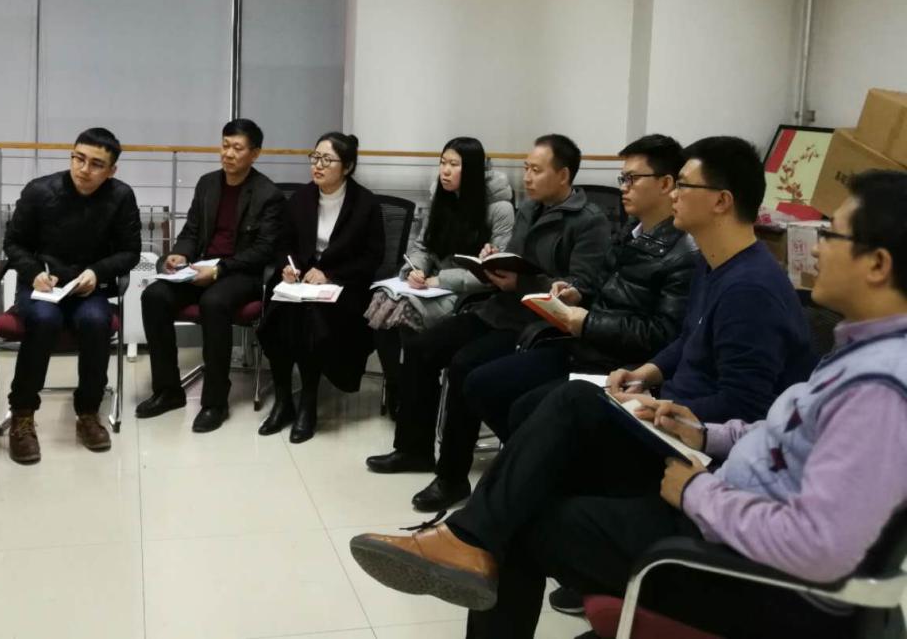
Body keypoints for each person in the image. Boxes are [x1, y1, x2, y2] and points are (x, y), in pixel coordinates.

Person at [348, 169, 907, 639]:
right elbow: (783, 433)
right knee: (567, 418)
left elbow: (820, 547)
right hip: (722, 503)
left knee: (526, 510)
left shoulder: (879, 388)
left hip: (750, 572)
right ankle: (468, 536)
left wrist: (698, 492)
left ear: (877, 264)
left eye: (832, 234)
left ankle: (468, 536)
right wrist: (707, 434)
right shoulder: (859, 350)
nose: (818, 247)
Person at [366, 134, 611, 512]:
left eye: (536, 170)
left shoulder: (589, 222)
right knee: (421, 347)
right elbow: (514, 258)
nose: (526, 177)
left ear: (563, 175)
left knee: (464, 365)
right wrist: (493, 258)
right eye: (526, 168)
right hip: (500, 308)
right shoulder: (529, 208)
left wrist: (522, 282)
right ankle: (414, 449)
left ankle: (452, 477)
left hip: (538, 324)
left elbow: (581, 290)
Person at [462, 134, 696, 443]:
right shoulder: (631, 231)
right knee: (481, 384)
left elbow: (661, 335)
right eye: (622, 178)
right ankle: (530, 456)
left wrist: (587, 322)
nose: (623, 187)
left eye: (632, 178)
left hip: (618, 366)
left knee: (524, 408)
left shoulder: (682, 254)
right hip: (583, 346)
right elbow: (599, 284)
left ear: (665, 184)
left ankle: (534, 458)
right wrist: (577, 293)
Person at [135, 119, 285, 433]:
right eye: (225, 145)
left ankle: (215, 401)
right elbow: (192, 231)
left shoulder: (268, 194)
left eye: (237, 148)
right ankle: (168, 390)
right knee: (154, 296)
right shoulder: (207, 184)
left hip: (241, 272)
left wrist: (219, 270)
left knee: (214, 303)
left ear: (255, 153)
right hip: (201, 266)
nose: (228, 154)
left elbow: (264, 250)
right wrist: (181, 254)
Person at [3, 127, 142, 465]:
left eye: (96, 164)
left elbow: (130, 251)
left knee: (96, 321)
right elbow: (14, 243)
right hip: (42, 283)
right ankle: (22, 414)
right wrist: (33, 272)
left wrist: (98, 272)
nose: (84, 169)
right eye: (78, 159)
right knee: (43, 320)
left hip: (86, 285)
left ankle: (88, 412)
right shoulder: (40, 191)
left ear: (111, 171)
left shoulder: (121, 197)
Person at [365, 137, 515, 414]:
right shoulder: (440, 197)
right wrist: (416, 269)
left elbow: (494, 271)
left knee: (405, 316)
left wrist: (440, 280)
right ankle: (400, 387)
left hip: (470, 295)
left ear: (472, 170)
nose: (445, 171)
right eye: (443, 163)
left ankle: (418, 395)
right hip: (432, 284)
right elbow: (422, 245)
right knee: (382, 304)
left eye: (454, 164)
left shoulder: (499, 209)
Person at [257, 132, 384, 443]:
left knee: (311, 318)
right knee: (278, 315)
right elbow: (283, 244)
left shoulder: (365, 204)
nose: (318, 165)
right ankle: (284, 400)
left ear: (348, 167)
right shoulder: (301, 199)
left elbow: (372, 257)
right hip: (299, 283)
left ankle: (308, 402)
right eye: (315, 158)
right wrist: (289, 267)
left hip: (344, 287)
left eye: (327, 160)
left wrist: (329, 274)